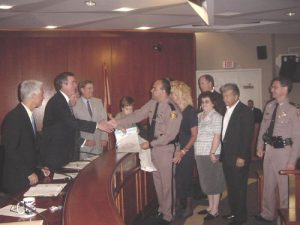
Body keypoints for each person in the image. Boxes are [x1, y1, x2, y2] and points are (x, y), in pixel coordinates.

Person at [110, 79, 182, 225]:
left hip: (165, 149)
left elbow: (170, 135)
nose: (151, 90)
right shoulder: (152, 103)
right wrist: (118, 123)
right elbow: (137, 115)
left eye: (154, 88)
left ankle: (170, 215)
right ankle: (162, 210)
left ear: (163, 91)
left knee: (167, 184)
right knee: (158, 181)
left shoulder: (172, 109)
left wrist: (151, 144)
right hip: (154, 148)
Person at [41, 72, 114, 170]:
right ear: (63, 84)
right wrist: (97, 125)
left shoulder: (62, 100)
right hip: (57, 153)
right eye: (73, 82)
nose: (76, 85)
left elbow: (70, 125)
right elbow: (72, 123)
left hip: (66, 151)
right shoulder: (58, 101)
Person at [255, 77, 300, 222]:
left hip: (284, 153)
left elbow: (298, 137)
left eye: (275, 87)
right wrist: (260, 146)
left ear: (285, 89)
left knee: (285, 188)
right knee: (268, 185)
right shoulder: (269, 106)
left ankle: (285, 219)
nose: (271, 89)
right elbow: (263, 127)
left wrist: (292, 161)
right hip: (269, 151)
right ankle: (267, 214)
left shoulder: (293, 110)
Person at [1, 80, 50, 194]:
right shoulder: (14, 117)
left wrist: (40, 167)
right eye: (41, 94)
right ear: (33, 95)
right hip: (18, 178)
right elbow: (11, 150)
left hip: (27, 175)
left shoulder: (27, 115)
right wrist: (28, 172)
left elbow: (31, 147)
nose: (43, 97)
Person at [220, 83, 254, 225]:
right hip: (227, 155)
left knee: (239, 187)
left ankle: (241, 218)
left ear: (236, 95)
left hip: (238, 156)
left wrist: (242, 156)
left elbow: (247, 137)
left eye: (228, 95)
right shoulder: (226, 110)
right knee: (231, 186)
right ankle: (234, 213)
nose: (225, 99)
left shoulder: (244, 111)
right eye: (224, 96)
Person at [194, 91, 226, 220]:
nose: (204, 104)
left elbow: (217, 136)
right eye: (202, 102)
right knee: (206, 181)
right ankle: (210, 207)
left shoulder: (217, 117)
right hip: (199, 152)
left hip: (212, 153)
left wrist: (212, 152)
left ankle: (215, 209)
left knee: (215, 181)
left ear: (213, 103)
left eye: (207, 101)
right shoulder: (199, 116)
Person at [170, 80, 198, 218]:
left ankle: (189, 207)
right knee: (177, 179)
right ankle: (180, 205)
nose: (171, 96)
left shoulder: (190, 111)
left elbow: (194, 135)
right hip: (176, 148)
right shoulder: (175, 111)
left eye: (173, 93)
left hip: (186, 150)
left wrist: (183, 151)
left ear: (181, 94)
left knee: (186, 178)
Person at [72, 80, 108, 160]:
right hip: (84, 145)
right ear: (82, 90)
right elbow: (73, 125)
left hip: (99, 143)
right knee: (84, 170)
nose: (92, 90)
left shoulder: (98, 102)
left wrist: (104, 138)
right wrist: (83, 141)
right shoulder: (75, 103)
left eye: (92, 88)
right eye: (89, 88)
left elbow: (104, 120)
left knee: (99, 169)